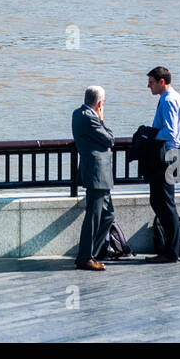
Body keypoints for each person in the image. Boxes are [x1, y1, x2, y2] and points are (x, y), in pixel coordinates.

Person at [145, 66, 180, 264]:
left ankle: (172, 252)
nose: (148, 86)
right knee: (164, 202)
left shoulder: (169, 100)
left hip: (166, 156)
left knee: (163, 203)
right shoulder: (176, 97)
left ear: (162, 82)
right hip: (171, 155)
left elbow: (169, 131)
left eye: (151, 82)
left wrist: (150, 136)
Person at [71, 85, 114, 271]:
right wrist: (102, 119)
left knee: (108, 215)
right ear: (100, 103)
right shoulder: (91, 119)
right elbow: (110, 139)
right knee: (94, 217)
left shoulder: (77, 113)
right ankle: (86, 257)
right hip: (97, 173)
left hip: (97, 173)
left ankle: (91, 253)